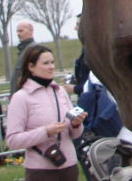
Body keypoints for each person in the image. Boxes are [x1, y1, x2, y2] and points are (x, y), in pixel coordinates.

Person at [6, 44, 85, 181]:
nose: (51, 67)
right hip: (40, 170)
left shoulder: (60, 92)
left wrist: (76, 124)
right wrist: (46, 131)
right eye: (46, 63)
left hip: (69, 166)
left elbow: (74, 134)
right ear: (31, 67)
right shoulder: (21, 97)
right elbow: (13, 140)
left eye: (52, 62)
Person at [11, 22, 36, 94]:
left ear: (31, 31)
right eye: (17, 31)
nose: (18, 34)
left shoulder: (33, 49)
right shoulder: (23, 50)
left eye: (21, 31)